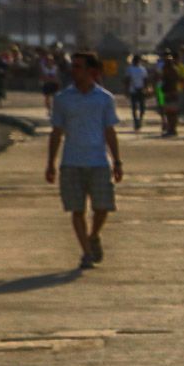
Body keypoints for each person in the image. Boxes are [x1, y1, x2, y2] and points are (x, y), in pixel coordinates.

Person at [45, 51, 124, 268]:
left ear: (92, 71)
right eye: (74, 66)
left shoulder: (104, 98)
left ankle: (94, 235)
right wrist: (50, 163)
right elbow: (56, 132)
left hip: (98, 160)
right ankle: (86, 253)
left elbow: (110, 131)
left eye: (79, 66)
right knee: (76, 209)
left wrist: (117, 161)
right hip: (71, 162)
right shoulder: (62, 99)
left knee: (103, 207)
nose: (74, 70)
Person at [157, 50, 184, 136]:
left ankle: (172, 129)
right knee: (170, 112)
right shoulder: (172, 70)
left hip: (171, 93)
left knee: (171, 113)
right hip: (171, 92)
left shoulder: (171, 70)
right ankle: (172, 129)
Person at [124, 56, 149, 131]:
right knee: (134, 107)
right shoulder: (130, 69)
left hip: (141, 90)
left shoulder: (142, 69)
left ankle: (140, 120)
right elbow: (127, 80)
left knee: (142, 107)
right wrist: (126, 90)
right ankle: (135, 121)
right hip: (133, 90)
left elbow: (145, 80)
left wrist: (146, 89)